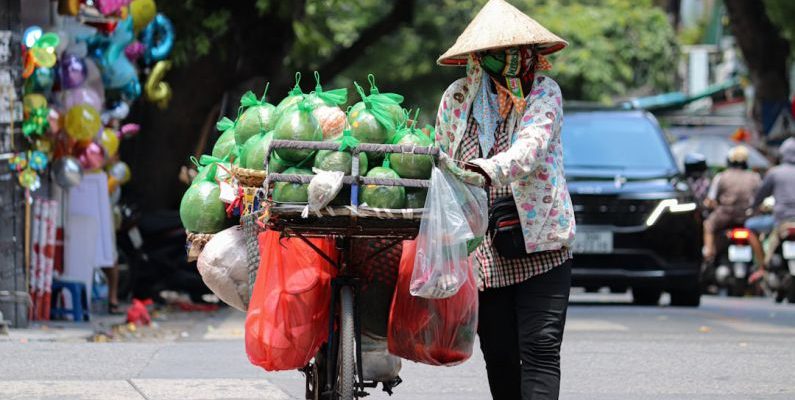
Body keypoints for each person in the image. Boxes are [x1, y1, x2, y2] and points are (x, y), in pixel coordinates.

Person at [434, 1, 574, 398]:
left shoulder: (544, 92)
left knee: (542, 348)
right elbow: (440, 156)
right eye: (499, 53)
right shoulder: (458, 98)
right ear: (479, 59)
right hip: (483, 253)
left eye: (519, 51)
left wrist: (484, 169)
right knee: (499, 354)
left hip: (542, 241)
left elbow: (531, 148)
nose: (512, 60)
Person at [702, 146, 764, 268]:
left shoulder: (721, 177)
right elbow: (760, 199)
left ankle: (708, 253)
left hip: (724, 216)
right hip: (748, 217)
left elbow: (711, 200)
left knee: (708, 226)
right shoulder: (755, 177)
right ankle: (762, 263)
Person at [748, 137, 795, 282]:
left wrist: (753, 207)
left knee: (749, 226)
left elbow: (760, 195)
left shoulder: (775, 173)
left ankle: (762, 266)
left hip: (780, 220)